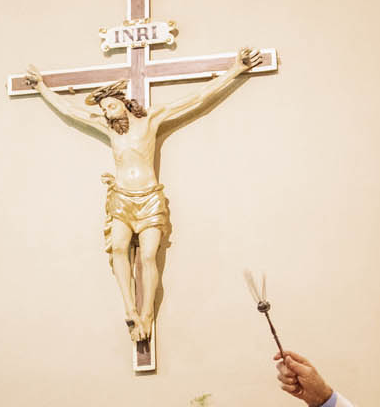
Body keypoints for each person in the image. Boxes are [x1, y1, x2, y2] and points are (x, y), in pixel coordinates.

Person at [23, 49, 260, 345]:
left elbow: (196, 99)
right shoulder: (108, 129)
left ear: (124, 103)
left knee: (148, 256)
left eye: (111, 106)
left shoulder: (151, 121)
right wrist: (43, 88)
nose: (108, 112)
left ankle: (147, 313)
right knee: (119, 249)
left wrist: (234, 70)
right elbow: (73, 112)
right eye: (105, 109)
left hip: (149, 198)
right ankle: (130, 310)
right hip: (121, 197)